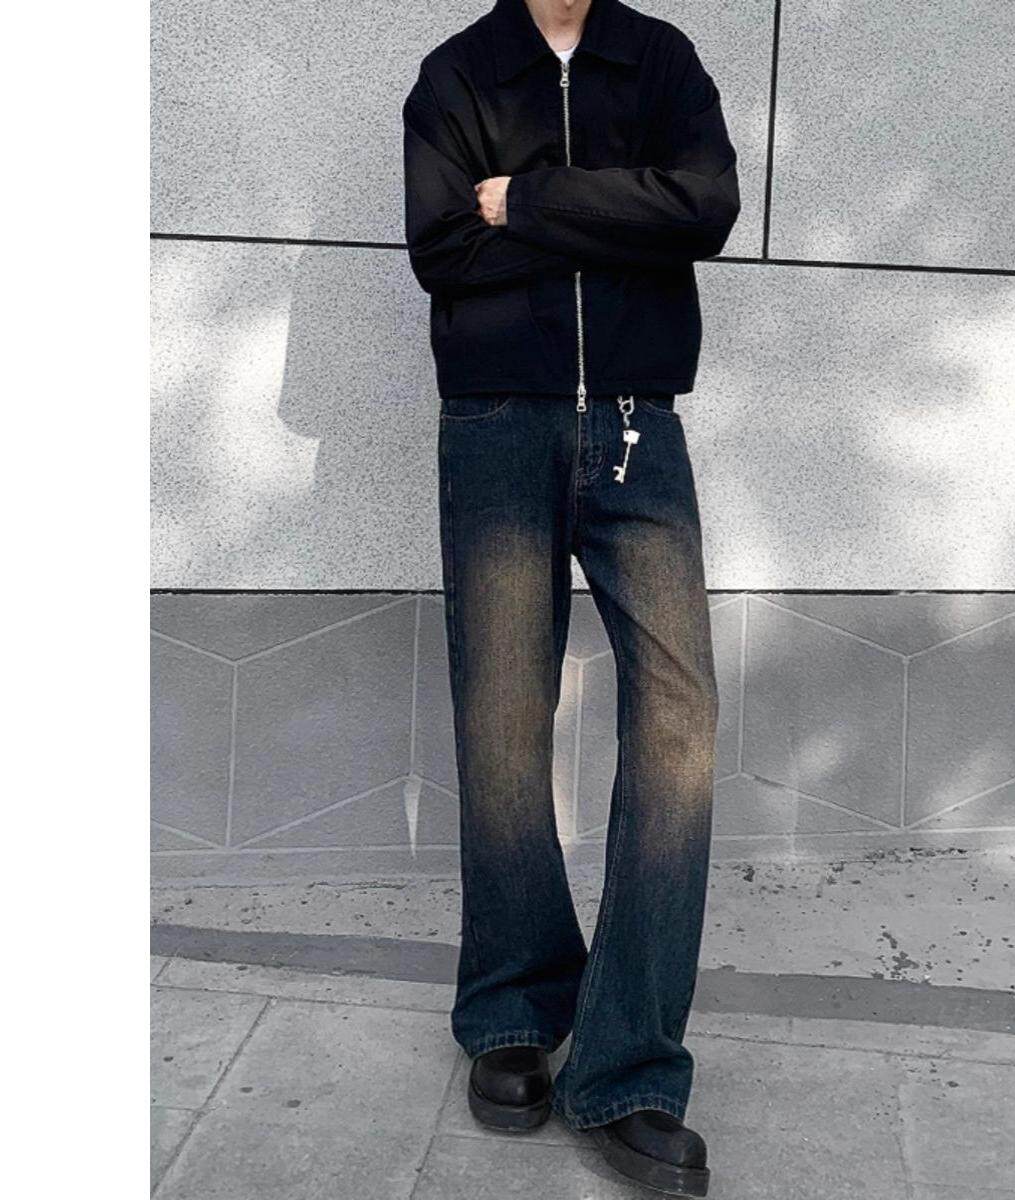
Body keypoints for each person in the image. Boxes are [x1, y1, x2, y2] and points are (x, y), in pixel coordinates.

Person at [402, 0, 739, 1193]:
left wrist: (531, 201)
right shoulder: (458, 74)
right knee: (503, 715)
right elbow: (443, 251)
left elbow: (704, 210)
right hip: (498, 427)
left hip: (641, 427)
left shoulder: (661, 60)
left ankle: (628, 1065)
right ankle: (513, 1003)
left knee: (680, 721)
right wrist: (623, 213)